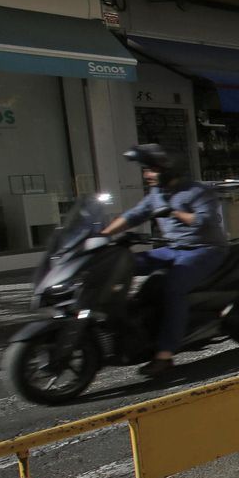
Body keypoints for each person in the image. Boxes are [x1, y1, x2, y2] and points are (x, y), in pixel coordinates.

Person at [99, 144, 228, 376]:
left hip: (205, 250)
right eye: (146, 170)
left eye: (151, 170)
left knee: (173, 287)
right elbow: (133, 216)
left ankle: (165, 354)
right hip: (172, 249)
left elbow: (207, 220)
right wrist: (102, 236)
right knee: (123, 264)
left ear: (168, 169)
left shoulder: (197, 191)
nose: (146, 175)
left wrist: (174, 212)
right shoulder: (157, 194)